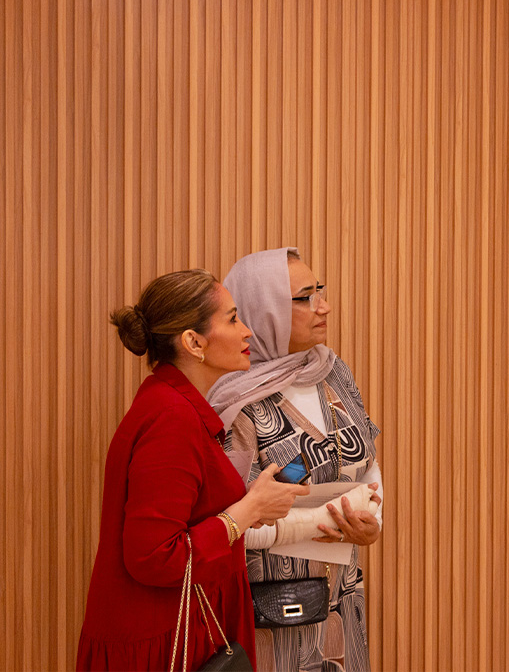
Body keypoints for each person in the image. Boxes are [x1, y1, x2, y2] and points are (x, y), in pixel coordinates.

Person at [76, 269, 310, 671]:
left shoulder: (171, 403)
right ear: (193, 342)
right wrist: (246, 512)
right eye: (233, 319)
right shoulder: (172, 418)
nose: (247, 331)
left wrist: (250, 505)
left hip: (175, 630)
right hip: (164, 642)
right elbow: (154, 556)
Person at [207, 248, 382, 672]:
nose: (324, 306)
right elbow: (229, 524)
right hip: (270, 610)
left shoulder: (334, 372)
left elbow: (367, 466)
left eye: (320, 290)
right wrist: (323, 522)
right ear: (264, 310)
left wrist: (373, 524)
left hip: (341, 600)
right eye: (305, 297)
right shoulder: (236, 401)